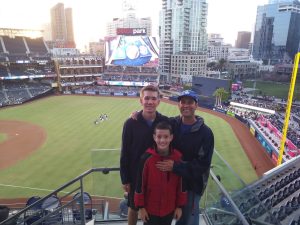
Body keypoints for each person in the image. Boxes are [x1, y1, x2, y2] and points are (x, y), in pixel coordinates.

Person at [156, 90, 214, 225]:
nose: (186, 105)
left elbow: (202, 165)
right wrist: (137, 114)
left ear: (196, 105)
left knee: (188, 220)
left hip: (192, 186)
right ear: (178, 104)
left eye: (190, 102)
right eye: (183, 102)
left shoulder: (206, 133)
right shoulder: (173, 123)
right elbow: (157, 118)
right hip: (172, 182)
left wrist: (175, 166)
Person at [120, 85, 168, 225]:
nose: (150, 102)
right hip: (135, 174)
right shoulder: (130, 123)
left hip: (157, 173)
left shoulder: (165, 121)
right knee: (133, 208)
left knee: (153, 208)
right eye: (146, 98)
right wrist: (125, 178)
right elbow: (125, 152)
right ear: (141, 100)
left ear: (158, 101)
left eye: (153, 98)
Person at [134, 121, 187, 225]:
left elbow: (182, 185)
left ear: (171, 137)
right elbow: (140, 185)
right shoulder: (146, 159)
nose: (162, 140)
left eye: (166, 137)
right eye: (159, 136)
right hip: (150, 210)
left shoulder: (178, 158)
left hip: (169, 209)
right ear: (154, 137)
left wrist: (179, 206)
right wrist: (141, 207)